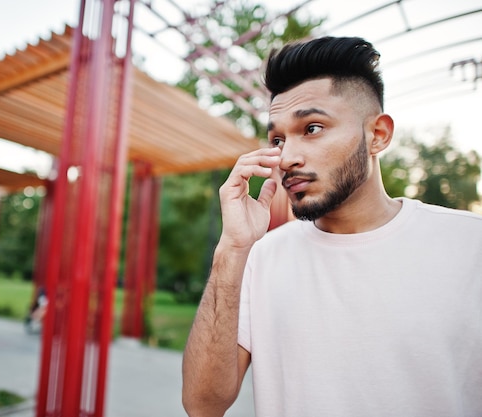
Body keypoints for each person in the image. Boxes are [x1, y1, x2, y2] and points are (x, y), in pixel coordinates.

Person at [182, 36, 482, 417]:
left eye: (312, 128)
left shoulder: (470, 246)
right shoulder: (261, 257)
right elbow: (202, 405)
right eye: (277, 138)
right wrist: (232, 248)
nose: (286, 157)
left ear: (377, 135)